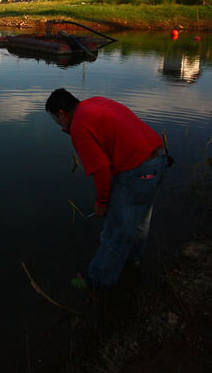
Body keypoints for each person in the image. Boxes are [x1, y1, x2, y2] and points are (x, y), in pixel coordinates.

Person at [45, 88, 173, 288]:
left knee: (114, 234)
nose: (57, 123)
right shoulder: (94, 103)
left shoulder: (79, 127)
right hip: (157, 162)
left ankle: (97, 285)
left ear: (61, 113)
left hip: (136, 172)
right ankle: (132, 264)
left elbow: (102, 170)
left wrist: (102, 203)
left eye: (55, 119)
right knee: (139, 224)